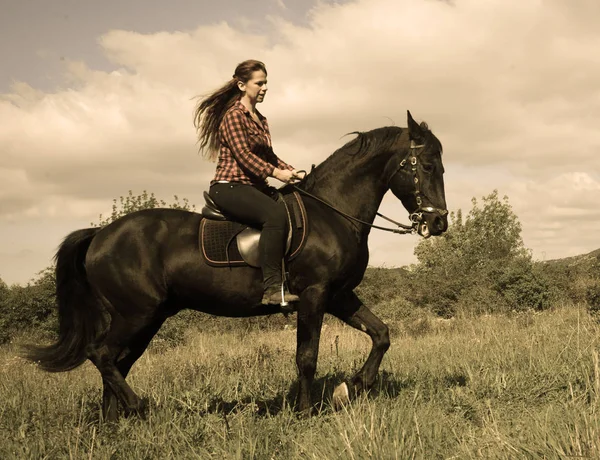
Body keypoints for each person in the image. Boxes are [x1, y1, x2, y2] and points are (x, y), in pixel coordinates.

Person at [193, 59, 301, 306]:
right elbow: (244, 156)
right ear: (242, 85)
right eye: (259, 83)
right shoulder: (233, 116)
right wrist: (276, 173)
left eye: (266, 83)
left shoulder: (260, 119)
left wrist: (292, 171)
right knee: (274, 215)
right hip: (229, 186)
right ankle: (273, 289)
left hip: (253, 186)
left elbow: (269, 156)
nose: (264, 88)